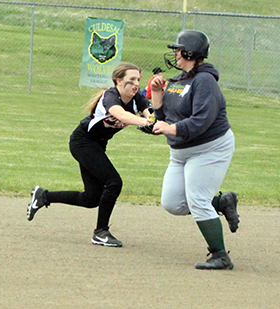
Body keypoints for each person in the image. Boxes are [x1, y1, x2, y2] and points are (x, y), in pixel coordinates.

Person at [27, 62, 153, 247]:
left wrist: (154, 121)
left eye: (138, 80)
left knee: (91, 198)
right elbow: (123, 116)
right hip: (82, 142)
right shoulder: (110, 96)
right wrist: (146, 122)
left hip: (97, 146)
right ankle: (101, 232)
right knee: (114, 182)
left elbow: (150, 118)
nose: (136, 84)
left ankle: (44, 196)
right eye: (131, 79)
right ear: (118, 80)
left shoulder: (137, 100)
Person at [150, 30, 240, 270]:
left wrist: (169, 129)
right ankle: (221, 202)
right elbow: (164, 116)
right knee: (172, 203)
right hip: (180, 152)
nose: (175, 54)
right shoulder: (180, 80)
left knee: (198, 200)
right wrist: (158, 95)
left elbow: (201, 121)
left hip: (210, 148)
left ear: (189, 52)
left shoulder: (205, 81)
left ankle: (221, 256)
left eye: (178, 50)